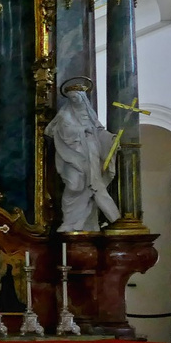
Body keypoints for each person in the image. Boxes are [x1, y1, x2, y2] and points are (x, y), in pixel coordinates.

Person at [47, 77, 121, 232]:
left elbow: (100, 132)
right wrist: (82, 131)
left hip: (91, 154)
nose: (76, 101)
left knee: (94, 187)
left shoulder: (89, 115)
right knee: (74, 185)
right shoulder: (64, 115)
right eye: (73, 98)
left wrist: (111, 140)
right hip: (72, 156)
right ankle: (70, 220)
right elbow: (61, 131)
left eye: (78, 98)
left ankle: (86, 222)